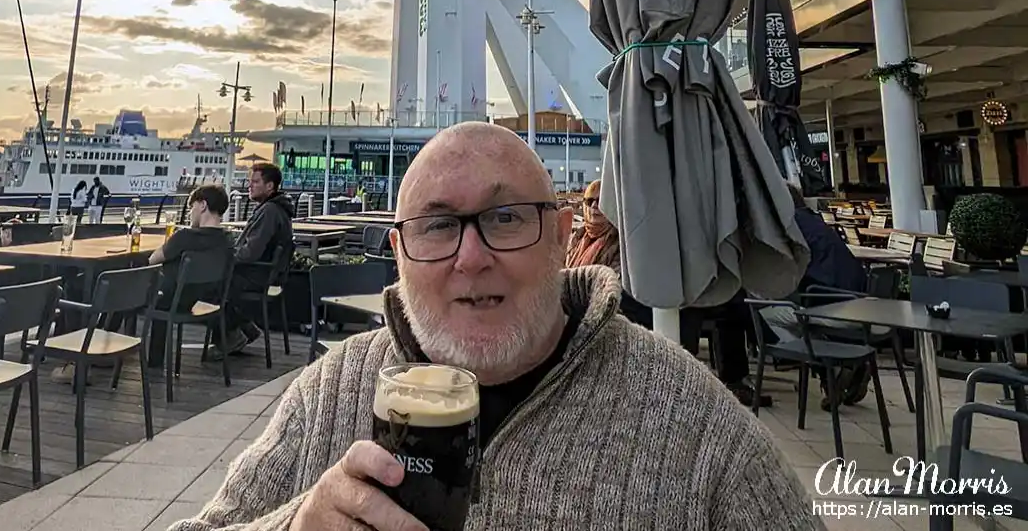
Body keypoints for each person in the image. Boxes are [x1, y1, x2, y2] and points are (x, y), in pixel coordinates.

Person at [169, 122, 821, 531]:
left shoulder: (692, 419)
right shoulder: (328, 395)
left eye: (506, 218)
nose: (471, 257)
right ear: (398, 253)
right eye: (437, 225)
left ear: (560, 239)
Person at [570, 179, 770, 408]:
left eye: (600, 201)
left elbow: (618, 279)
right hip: (607, 309)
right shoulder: (580, 239)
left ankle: (701, 380)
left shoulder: (623, 240)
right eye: (589, 201)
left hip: (638, 303)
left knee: (718, 305)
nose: (594, 207)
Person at [761, 182, 878, 410]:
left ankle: (830, 369)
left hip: (834, 307)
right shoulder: (816, 222)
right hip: (860, 304)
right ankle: (838, 368)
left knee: (766, 313)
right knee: (796, 312)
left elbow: (781, 276)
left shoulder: (791, 229)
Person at [208, 162, 295, 358]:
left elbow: (251, 252)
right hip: (266, 272)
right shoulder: (275, 209)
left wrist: (226, 256)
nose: (250, 185)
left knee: (211, 284)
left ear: (270, 186)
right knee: (216, 280)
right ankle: (244, 329)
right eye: (250, 181)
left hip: (257, 274)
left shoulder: (270, 211)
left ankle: (231, 336)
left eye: (255, 182)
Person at [146, 184, 233, 367]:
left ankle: (105, 348)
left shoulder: (185, 236)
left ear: (202, 205)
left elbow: (152, 259)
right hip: (202, 301)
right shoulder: (227, 240)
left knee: (120, 293)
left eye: (192, 206)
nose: (190, 212)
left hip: (170, 301)